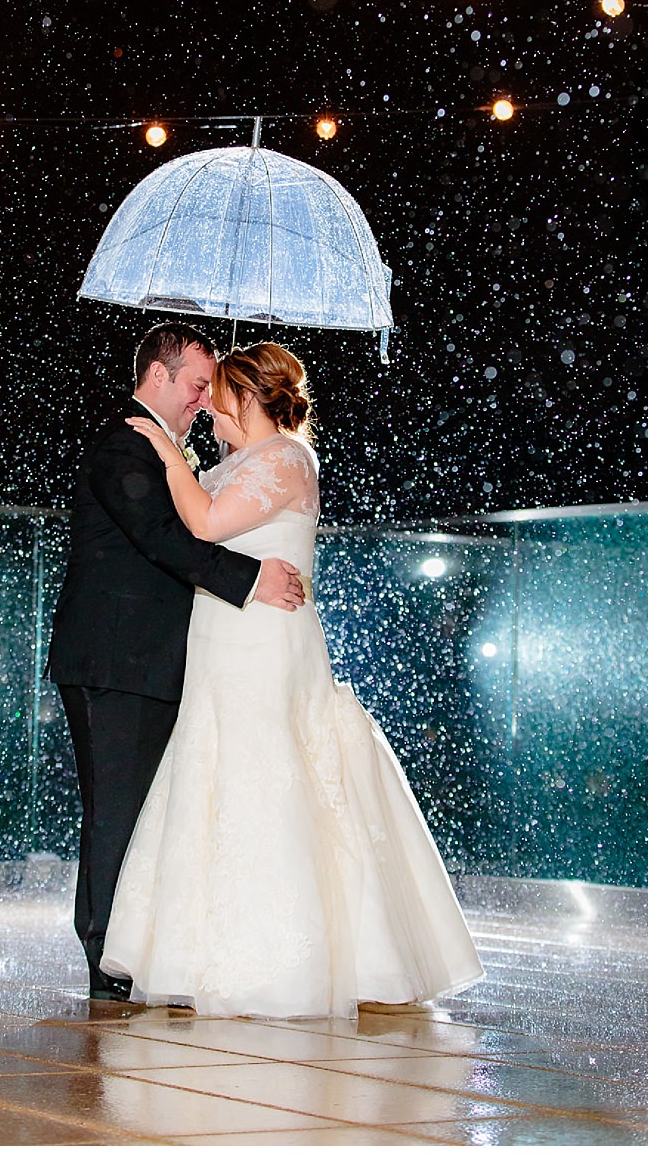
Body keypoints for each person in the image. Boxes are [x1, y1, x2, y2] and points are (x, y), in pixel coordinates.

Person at [103, 342, 484, 1017]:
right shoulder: (237, 462)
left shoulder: (285, 457)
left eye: (216, 399)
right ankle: (204, 952)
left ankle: (286, 961)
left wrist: (166, 455)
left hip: (264, 645)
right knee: (217, 782)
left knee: (267, 779)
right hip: (221, 643)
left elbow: (207, 522)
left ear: (246, 398)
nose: (208, 412)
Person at [45, 322, 306, 1002]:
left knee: (142, 812)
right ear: (157, 376)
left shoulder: (167, 450)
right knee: (116, 813)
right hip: (115, 664)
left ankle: (135, 950)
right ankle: (105, 958)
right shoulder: (127, 443)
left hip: (148, 664)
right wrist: (250, 580)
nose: (202, 399)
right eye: (196, 385)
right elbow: (163, 538)